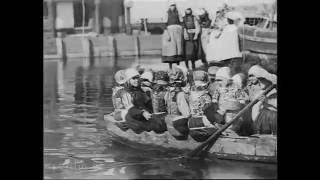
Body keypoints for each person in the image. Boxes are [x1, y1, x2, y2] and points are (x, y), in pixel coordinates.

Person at [212, 67, 249, 135]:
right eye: (217, 80)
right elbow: (215, 99)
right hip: (222, 110)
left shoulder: (235, 88)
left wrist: (240, 102)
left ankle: (231, 133)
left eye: (220, 80)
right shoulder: (219, 89)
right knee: (221, 122)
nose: (218, 82)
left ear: (228, 79)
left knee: (232, 124)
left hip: (233, 111)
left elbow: (242, 99)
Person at [187, 70, 223, 142]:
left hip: (191, 124)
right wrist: (218, 127)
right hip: (202, 125)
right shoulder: (207, 97)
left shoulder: (190, 94)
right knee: (220, 127)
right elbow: (209, 115)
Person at [206, 11, 243, 76]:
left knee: (227, 66)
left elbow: (220, 39)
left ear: (228, 20)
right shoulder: (236, 28)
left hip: (226, 53)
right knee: (233, 67)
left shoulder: (226, 28)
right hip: (235, 52)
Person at [246, 65, 277, 135]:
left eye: (252, 76)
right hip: (264, 117)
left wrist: (267, 100)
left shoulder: (274, 87)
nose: (250, 78)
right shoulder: (259, 91)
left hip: (274, 117)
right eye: (249, 76)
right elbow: (255, 107)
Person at [122, 68, 154, 134]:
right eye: (133, 78)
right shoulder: (126, 93)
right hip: (133, 117)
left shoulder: (141, 90)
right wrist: (142, 113)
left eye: (137, 78)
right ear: (128, 80)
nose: (136, 80)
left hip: (144, 115)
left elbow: (148, 102)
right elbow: (131, 110)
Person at [164, 67, 191, 140]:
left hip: (169, 124)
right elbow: (187, 114)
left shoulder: (168, 92)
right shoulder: (181, 94)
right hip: (178, 129)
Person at [162, 3, 184, 69]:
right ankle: (170, 68)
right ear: (169, 6)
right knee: (171, 49)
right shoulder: (167, 13)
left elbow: (181, 21)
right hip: (170, 31)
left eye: (173, 5)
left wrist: (181, 30)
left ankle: (178, 66)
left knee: (178, 49)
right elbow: (164, 24)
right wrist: (167, 34)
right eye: (171, 5)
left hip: (178, 31)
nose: (172, 7)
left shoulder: (178, 13)